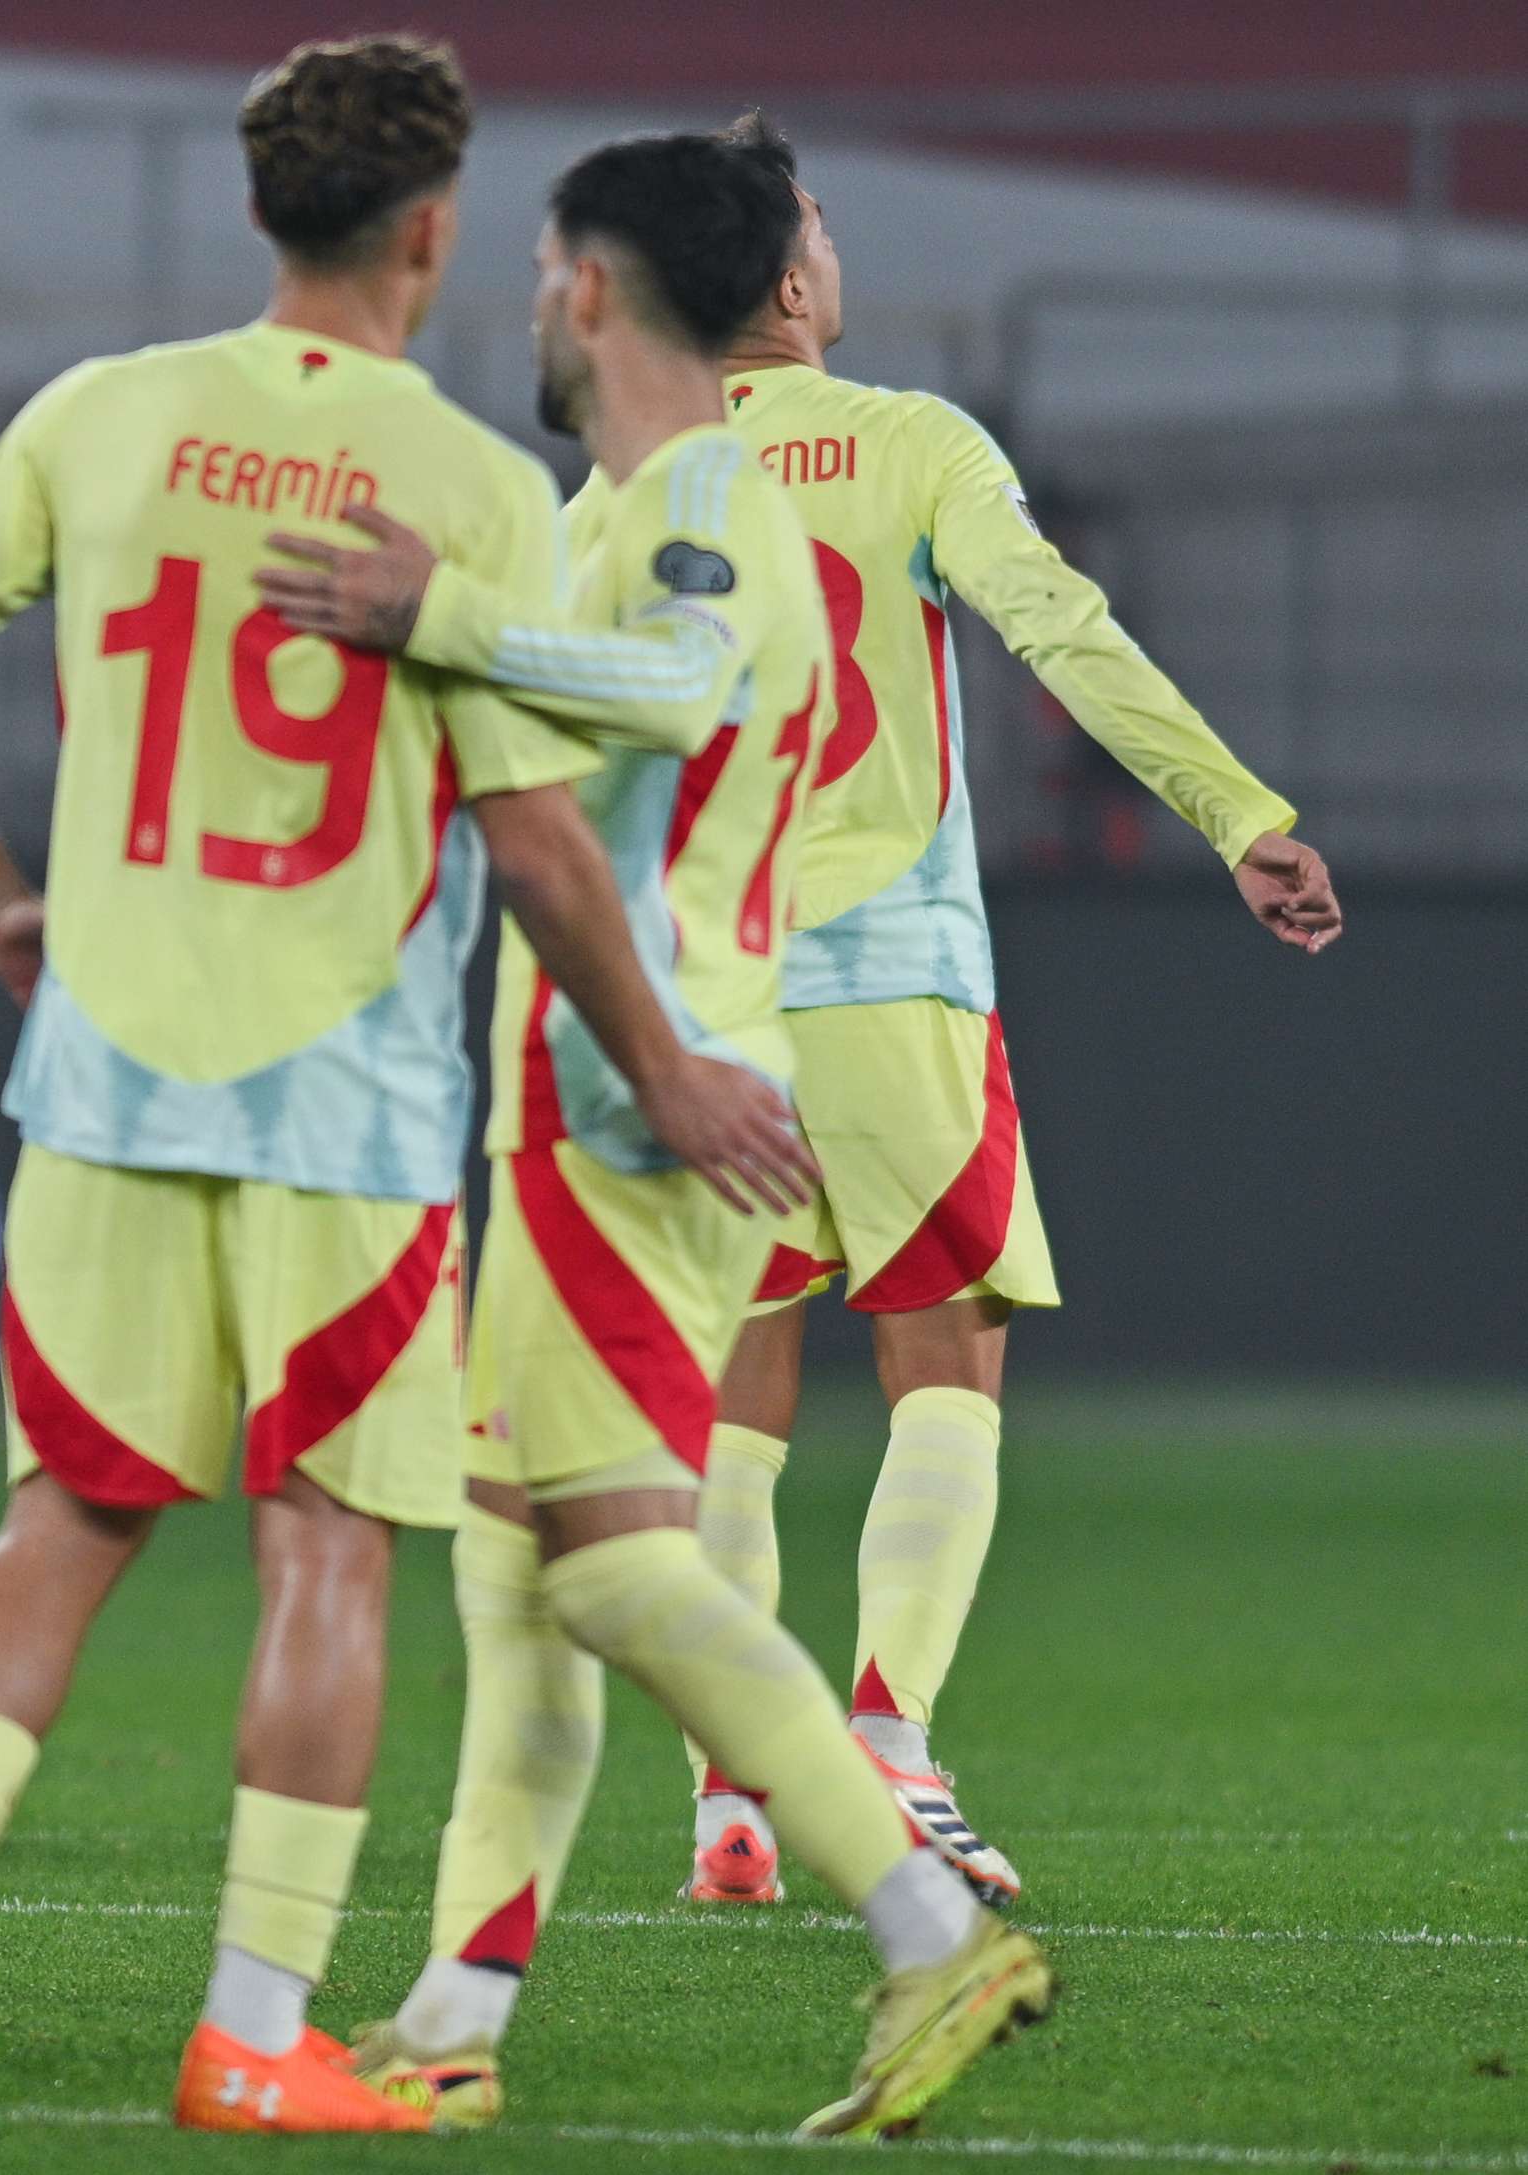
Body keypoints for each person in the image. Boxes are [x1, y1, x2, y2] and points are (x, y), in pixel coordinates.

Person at [0, 39, 815, 2134]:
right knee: (328, 1558)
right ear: (429, 232)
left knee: (58, 1523)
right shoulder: (470, 485)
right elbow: (532, 848)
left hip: (98, 1084)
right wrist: (668, 1071)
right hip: (335, 1109)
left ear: (263, 213)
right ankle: (253, 2027)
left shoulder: (102, 414)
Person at [255, 128, 1056, 2139]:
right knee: (515, 1576)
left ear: (598, 289)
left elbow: (680, 680)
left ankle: (912, 1915)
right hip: (579, 1093)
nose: (523, 299)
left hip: (646, 1099)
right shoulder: (614, 501)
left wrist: (443, 622)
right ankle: (450, 2009)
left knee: (608, 1571)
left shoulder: (696, 501)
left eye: (541, 267)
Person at [662, 114, 1345, 1908]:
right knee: (943, 1355)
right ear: (794, 280)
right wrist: (1238, 814)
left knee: (736, 1392)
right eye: (819, 221)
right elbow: (1055, 622)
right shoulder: (909, 443)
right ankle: (886, 1744)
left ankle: (731, 1796)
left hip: (705, 993)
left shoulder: (622, 483)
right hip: (893, 979)